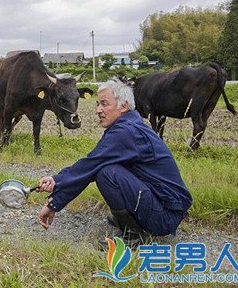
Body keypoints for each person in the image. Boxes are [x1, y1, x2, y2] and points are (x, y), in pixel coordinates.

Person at [37, 77, 192, 246]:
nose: (98, 110)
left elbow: (92, 164)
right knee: (104, 167)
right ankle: (130, 219)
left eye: (104, 104)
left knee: (106, 172)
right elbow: (93, 161)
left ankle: (133, 235)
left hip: (165, 215)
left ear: (123, 106)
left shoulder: (126, 132)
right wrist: (56, 180)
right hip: (164, 208)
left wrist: (53, 202)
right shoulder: (128, 125)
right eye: (97, 104)